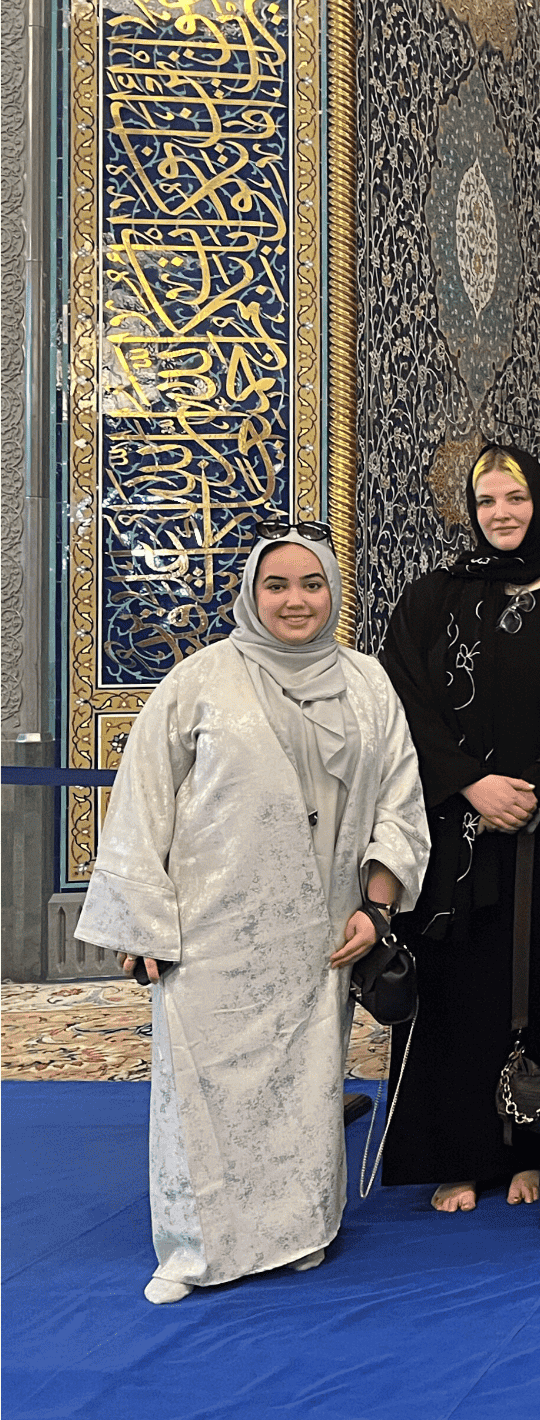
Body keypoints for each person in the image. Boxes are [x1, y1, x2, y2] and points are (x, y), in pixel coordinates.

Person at [74, 527, 429, 1304]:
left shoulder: (368, 686)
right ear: (251, 592)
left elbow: (400, 807)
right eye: (278, 584)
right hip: (213, 938)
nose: (296, 600)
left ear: (334, 591)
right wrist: (141, 924)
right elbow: (143, 803)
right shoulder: (200, 681)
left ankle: (297, 1231)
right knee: (202, 1094)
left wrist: (376, 908)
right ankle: (194, 1248)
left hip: (319, 940)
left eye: (312, 584)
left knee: (304, 1093)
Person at [376, 446, 540, 1213]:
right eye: (486, 500)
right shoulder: (432, 601)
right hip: (454, 834)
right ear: (470, 509)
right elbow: (405, 703)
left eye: (515, 497)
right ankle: (460, 1151)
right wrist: (471, 784)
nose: (501, 512)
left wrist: (536, 783)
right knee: (457, 987)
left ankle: (532, 1147)